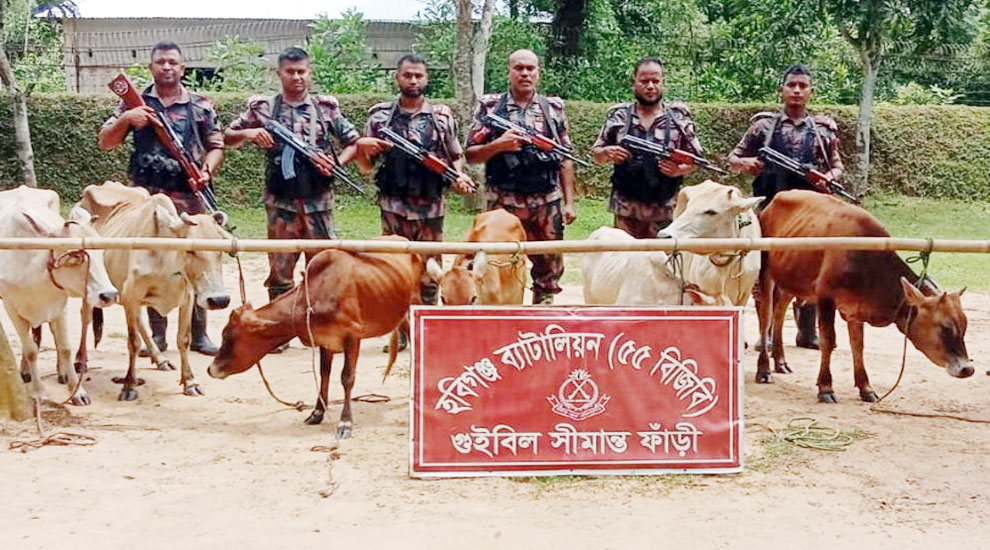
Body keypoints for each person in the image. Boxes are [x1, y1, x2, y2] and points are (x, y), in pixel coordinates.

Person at [224, 46, 380, 351]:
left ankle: (319, 326)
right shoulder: (263, 108)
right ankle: (277, 331)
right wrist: (251, 133)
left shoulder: (325, 108)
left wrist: (335, 163)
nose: (297, 77)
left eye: (302, 71)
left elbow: (353, 142)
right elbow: (227, 136)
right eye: (290, 71)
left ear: (310, 73)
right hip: (281, 202)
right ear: (279, 73)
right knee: (280, 268)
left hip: (318, 201)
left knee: (322, 267)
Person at [98, 40, 225, 356]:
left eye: (172, 62)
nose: (166, 67)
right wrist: (128, 119)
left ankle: (198, 334)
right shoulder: (134, 104)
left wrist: (206, 171)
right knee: (152, 261)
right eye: (160, 62)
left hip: (188, 197)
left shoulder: (200, 105)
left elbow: (217, 145)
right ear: (151, 67)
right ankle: (158, 336)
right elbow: (106, 142)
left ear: (182, 68)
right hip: (147, 200)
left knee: (196, 259)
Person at [728, 64, 844, 350]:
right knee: (764, 272)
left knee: (811, 267)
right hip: (768, 210)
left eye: (802, 86)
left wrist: (828, 177)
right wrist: (747, 164)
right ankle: (766, 333)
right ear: (782, 89)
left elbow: (838, 165)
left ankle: (807, 333)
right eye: (791, 85)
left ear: (811, 91)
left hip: (808, 214)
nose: (796, 90)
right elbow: (733, 158)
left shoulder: (822, 131)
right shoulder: (763, 127)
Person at [357, 54, 476, 306]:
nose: (413, 80)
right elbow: (366, 167)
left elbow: (455, 155)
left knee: (430, 269)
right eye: (407, 75)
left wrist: (459, 175)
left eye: (418, 75)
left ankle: (428, 323)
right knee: (394, 266)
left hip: (430, 204)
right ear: (397, 77)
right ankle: (400, 326)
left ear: (426, 78)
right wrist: (361, 149)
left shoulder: (441, 117)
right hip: (393, 204)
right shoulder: (379, 118)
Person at [464, 49, 577, 305]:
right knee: (498, 261)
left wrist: (569, 202)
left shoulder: (553, 108)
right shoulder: (491, 107)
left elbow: (565, 157)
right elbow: (470, 154)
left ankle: (541, 315)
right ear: (509, 72)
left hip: (546, 200)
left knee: (548, 265)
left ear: (538, 73)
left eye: (530, 68)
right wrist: (498, 146)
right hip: (502, 201)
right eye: (518, 68)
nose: (524, 73)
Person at [591, 57, 703, 238]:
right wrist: (607, 153)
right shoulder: (619, 117)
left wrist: (678, 170)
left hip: (665, 211)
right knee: (626, 262)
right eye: (644, 81)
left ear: (663, 83)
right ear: (633, 83)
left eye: (655, 81)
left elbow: (696, 160)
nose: (650, 86)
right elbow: (597, 154)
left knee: (663, 263)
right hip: (626, 211)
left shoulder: (679, 119)